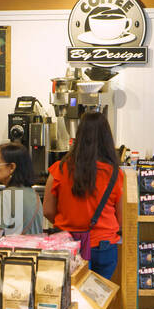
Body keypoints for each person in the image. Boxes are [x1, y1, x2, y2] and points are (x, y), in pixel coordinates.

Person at [44, 111, 124, 280]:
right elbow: (122, 218)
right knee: (97, 299)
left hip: (67, 244)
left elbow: (48, 210)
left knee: (68, 298)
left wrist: (68, 224)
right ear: (107, 139)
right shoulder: (116, 175)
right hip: (103, 246)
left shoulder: (59, 169)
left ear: (78, 136)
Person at [0, 141, 45, 236]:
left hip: (13, 250)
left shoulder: (6, 196)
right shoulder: (34, 194)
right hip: (34, 249)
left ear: (12, 167)